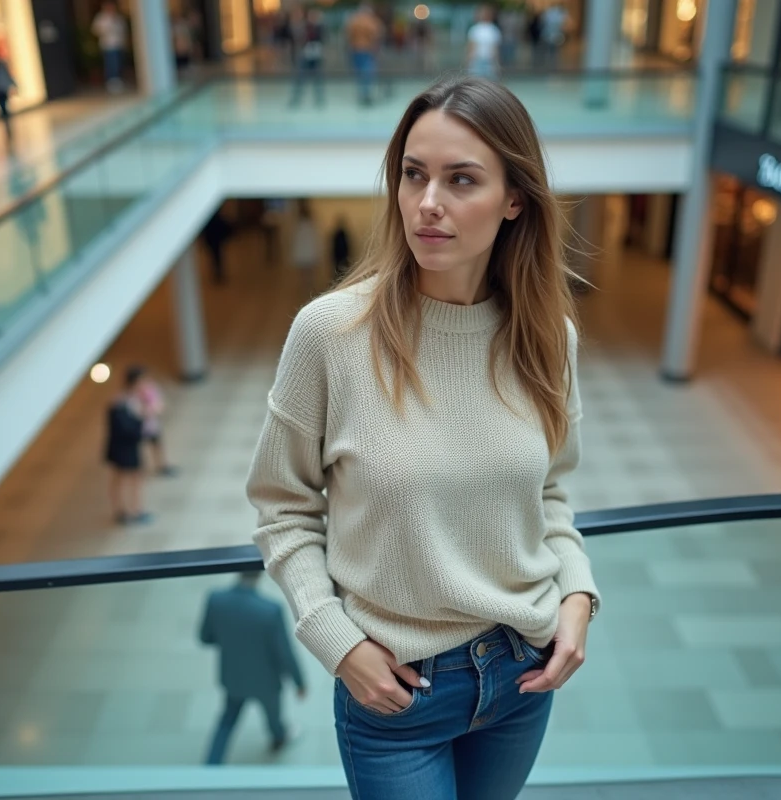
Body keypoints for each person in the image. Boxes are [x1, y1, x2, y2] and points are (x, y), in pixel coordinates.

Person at [247, 76, 599, 800]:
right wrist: (336, 642)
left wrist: (578, 598)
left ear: (513, 201)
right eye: (414, 175)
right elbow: (281, 507)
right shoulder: (330, 335)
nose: (427, 202)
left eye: (460, 179)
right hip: (399, 693)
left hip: (523, 675)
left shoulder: (547, 338)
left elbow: (552, 492)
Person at [200, 572, 307, 764]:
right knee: (273, 716)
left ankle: (211, 766)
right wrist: (299, 682)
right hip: (266, 682)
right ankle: (278, 738)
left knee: (226, 721)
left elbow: (205, 637)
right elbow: (284, 653)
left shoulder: (216, 600)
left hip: (233, 676)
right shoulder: (270, 611)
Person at [105, 366, 151, 525]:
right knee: (122, 479)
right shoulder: (120, 403)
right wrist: (141, 417)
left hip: (128, 446)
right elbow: (124, 428)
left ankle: (133, 509)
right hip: (123, 448)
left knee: (131, 478)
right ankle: (124, 511)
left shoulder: (132, 399)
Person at [135, 371, 177, 476]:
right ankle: (141, 468)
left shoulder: (150, 389)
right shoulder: (134, 394)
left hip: (151, 425)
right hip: (139, 426)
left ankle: (161, 465)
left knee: (157, 445)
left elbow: (159, 405)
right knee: (141, 448)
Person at [346, 1, 384, 106]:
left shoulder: (354, 20)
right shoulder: (371, 21)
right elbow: (378, 34)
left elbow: (348, 34)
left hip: (356, 50)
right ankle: (366, 95)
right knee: (367, 72)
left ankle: (363, 94)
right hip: (367, 50)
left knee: (360, 73)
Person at [288, 6, 325, 108]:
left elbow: (322, 39)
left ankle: (319, 99)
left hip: (315, 55)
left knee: (317, 78)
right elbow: (296, 38)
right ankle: (296, 98)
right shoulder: (303, 27)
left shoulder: (319, 27)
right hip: (304, 55)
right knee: (300, 78)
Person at [92, 1, 128, 92]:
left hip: (118, 44)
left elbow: (123, 30)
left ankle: (118, 80)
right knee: (111, 63)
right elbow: (95, 30)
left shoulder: (118, 17)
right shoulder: (101, 18)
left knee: (118, 63)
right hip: (108, 45)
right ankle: (111, 82)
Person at [291, 200, 320, 293]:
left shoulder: (303, 222)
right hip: (306, 247)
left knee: (307, 269)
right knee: (306, 269)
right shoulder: (303, 222)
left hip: (306, 247)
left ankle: (307, 283)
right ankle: (307, 284)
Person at [466, 5, 502, 80]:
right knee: (476, 81)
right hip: (477, 59)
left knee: (490, 81)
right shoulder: (475, 29)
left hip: (489, 59)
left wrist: (496, 63)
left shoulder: (493, 30)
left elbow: (495, 48)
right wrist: (469, 61)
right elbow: (471, 47)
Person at [331, 217, 352, 282]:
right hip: (341, 256)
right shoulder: (342, 235)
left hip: (339, 256)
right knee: (342, 272)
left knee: (339, 272)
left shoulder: (339, 234)